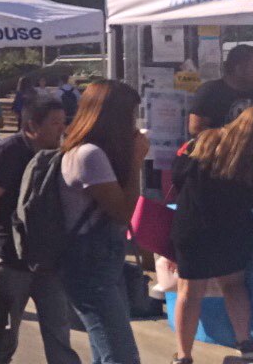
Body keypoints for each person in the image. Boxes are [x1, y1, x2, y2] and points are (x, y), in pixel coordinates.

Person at [0, 98, 77, 364]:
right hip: (11, 255)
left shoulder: (60, 154)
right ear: (32, 126)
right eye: (55, 123)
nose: (62, 128)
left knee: (58, 328)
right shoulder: (6, 151)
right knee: (5, 329)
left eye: (63, 122)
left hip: (48, 257)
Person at [58, 80, 148, 364]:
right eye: (130, 115)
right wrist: (136, 161)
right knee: (120, 355)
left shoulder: (84, 151)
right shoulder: (90, 155)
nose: (134, 124)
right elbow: (122, 212)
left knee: (106, 350)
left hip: (98, 263)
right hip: (90, 266)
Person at [170, 107, 253, 364]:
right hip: (233, 228)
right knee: (234, 285)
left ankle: (183, 356)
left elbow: (178, 174)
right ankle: (246, 347)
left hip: (193, 225)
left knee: (189, 291)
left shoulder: (205, 139)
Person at [188, 44, 253, 136]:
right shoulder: (210, 91)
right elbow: (196, 129)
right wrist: (232, 137)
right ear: (240, 69)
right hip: (220, 145)